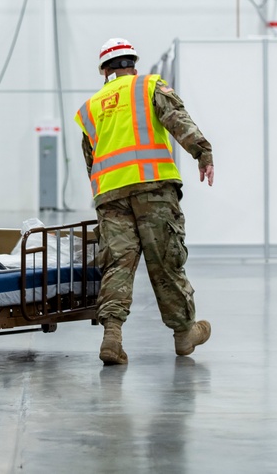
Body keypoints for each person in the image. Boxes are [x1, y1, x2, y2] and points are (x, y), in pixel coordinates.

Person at [75, 38, 214, 365]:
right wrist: (202, 152)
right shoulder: (149, 86)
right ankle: (183, 334)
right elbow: (176, 119)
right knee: (165, 260)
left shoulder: (91, 107)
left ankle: (112, 336)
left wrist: (106, 192)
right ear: (133, 64)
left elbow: (90, 159)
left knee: (117, 263)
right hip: (153, 189)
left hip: (110, 194)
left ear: (105, 71)